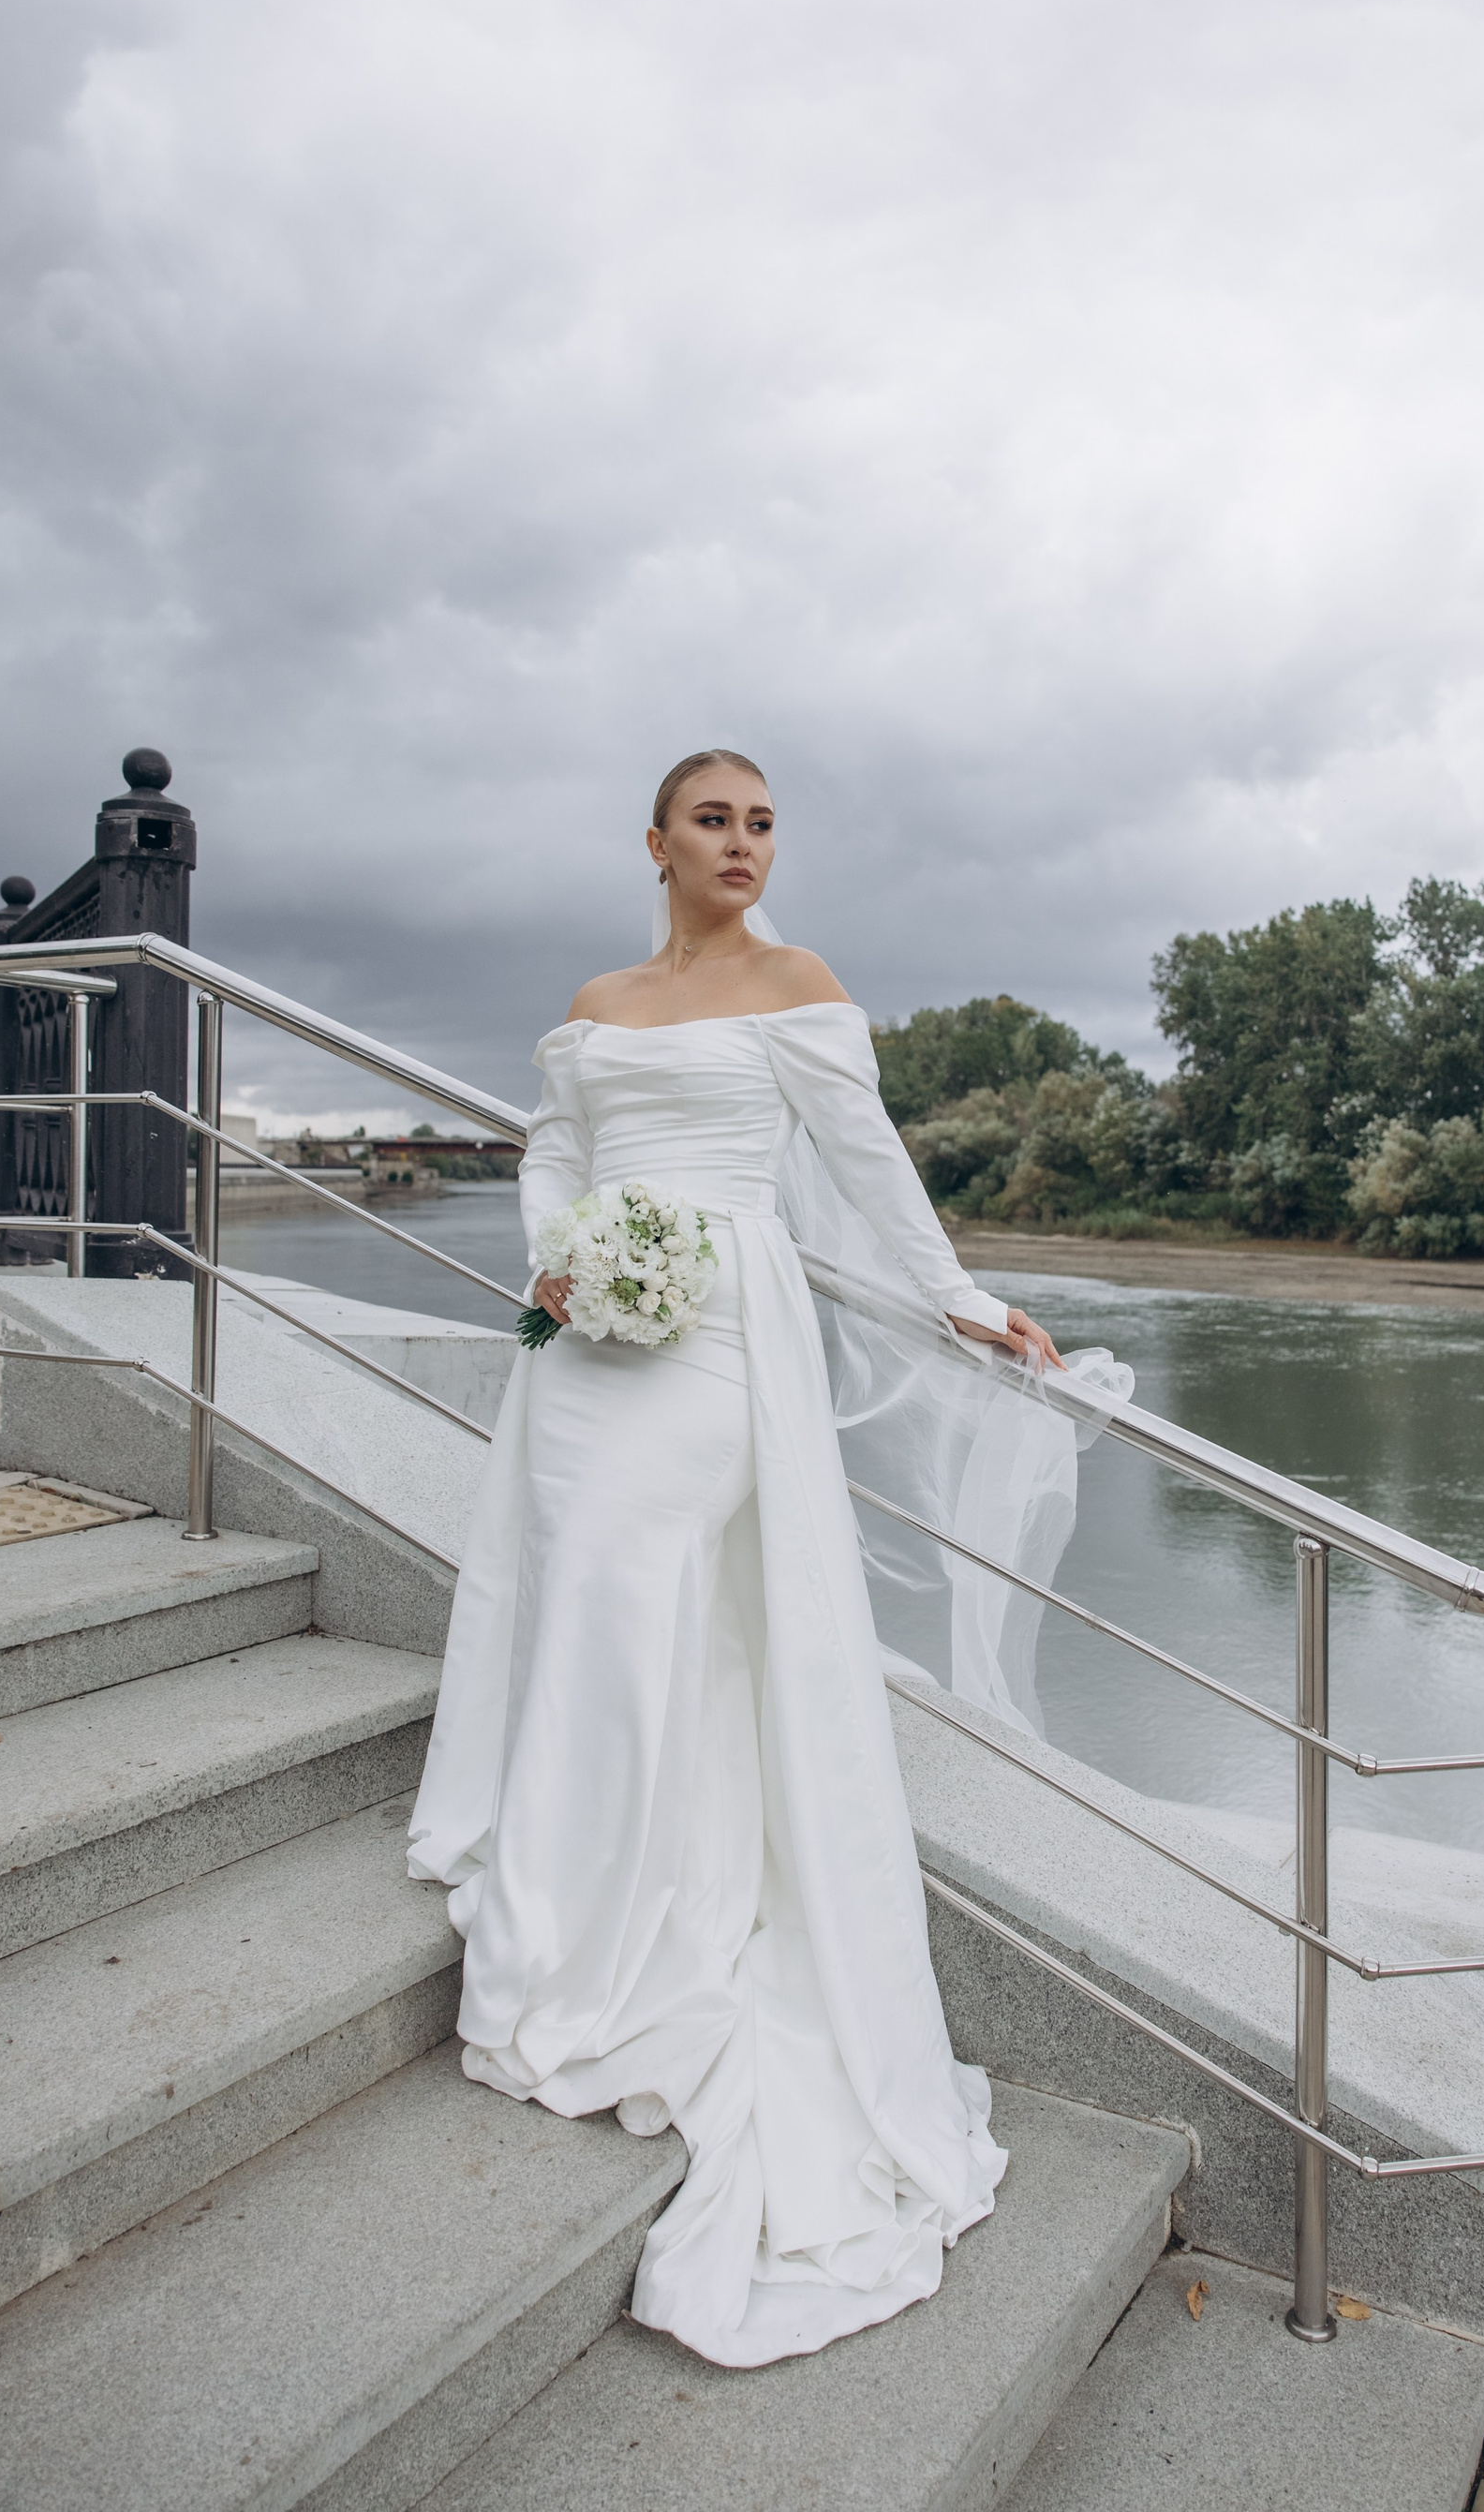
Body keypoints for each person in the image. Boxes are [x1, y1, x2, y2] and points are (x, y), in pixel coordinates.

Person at [408, 749, 1066, 2371]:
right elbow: (549, 1152)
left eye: (764, 824)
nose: (744, 844)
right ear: (656, 841)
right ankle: (570, 1899)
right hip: (584, 1343)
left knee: (635, 1595)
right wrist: (561, 1259)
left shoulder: (798, 985)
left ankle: (607, 1927)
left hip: (718, 1340)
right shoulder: (600, 1002)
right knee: (583, 1598)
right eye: (715, 820)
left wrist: (962, 1301)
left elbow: (867, 1164)